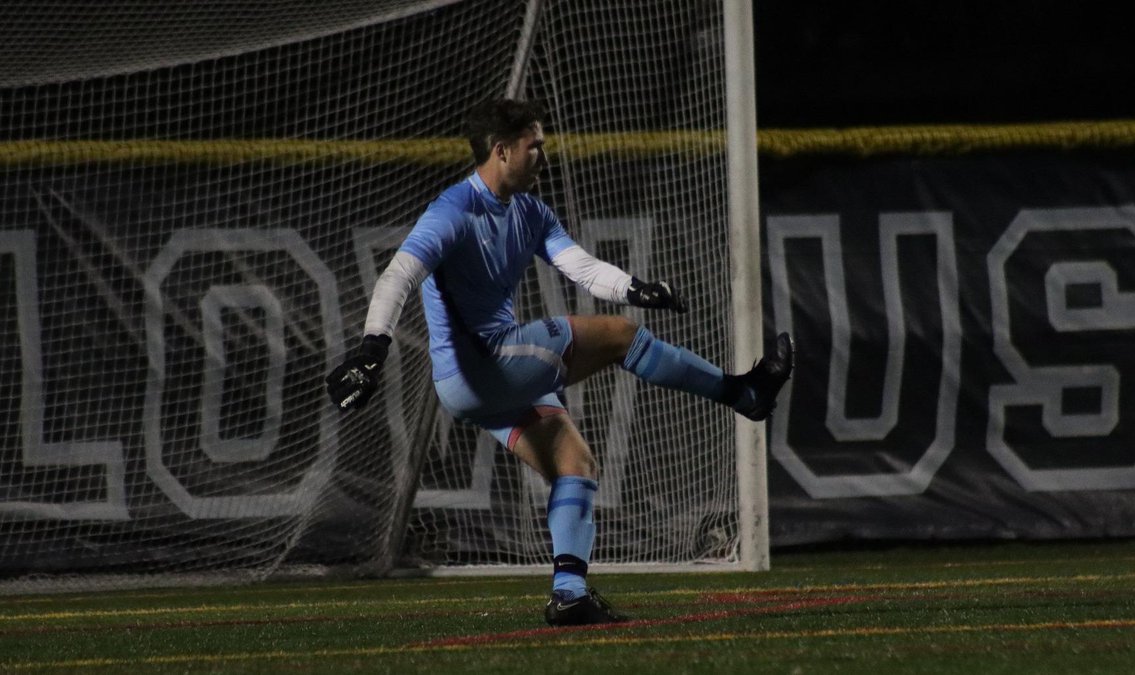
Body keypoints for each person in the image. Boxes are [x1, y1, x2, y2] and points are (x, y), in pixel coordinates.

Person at [326, 98, 793, 627]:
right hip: (487, 365)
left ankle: (569, 594)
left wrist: (633, 287)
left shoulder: (530, 210)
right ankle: (745, 395)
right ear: (501, 152)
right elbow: (398, 275)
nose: (543, 155)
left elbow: (580, 267)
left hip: (473, 388)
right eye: (535, 146)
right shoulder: (453, 209)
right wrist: (372, 347)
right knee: (618, 335)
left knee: (575, 465)